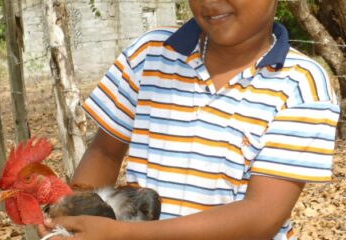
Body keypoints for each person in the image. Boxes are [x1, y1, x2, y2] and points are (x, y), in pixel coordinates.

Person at [38, 0, 340, 239]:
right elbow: (104, 151)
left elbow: (261, 216)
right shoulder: (149, 55)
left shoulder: (301, 85)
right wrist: (73, 216)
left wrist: (125, 234)